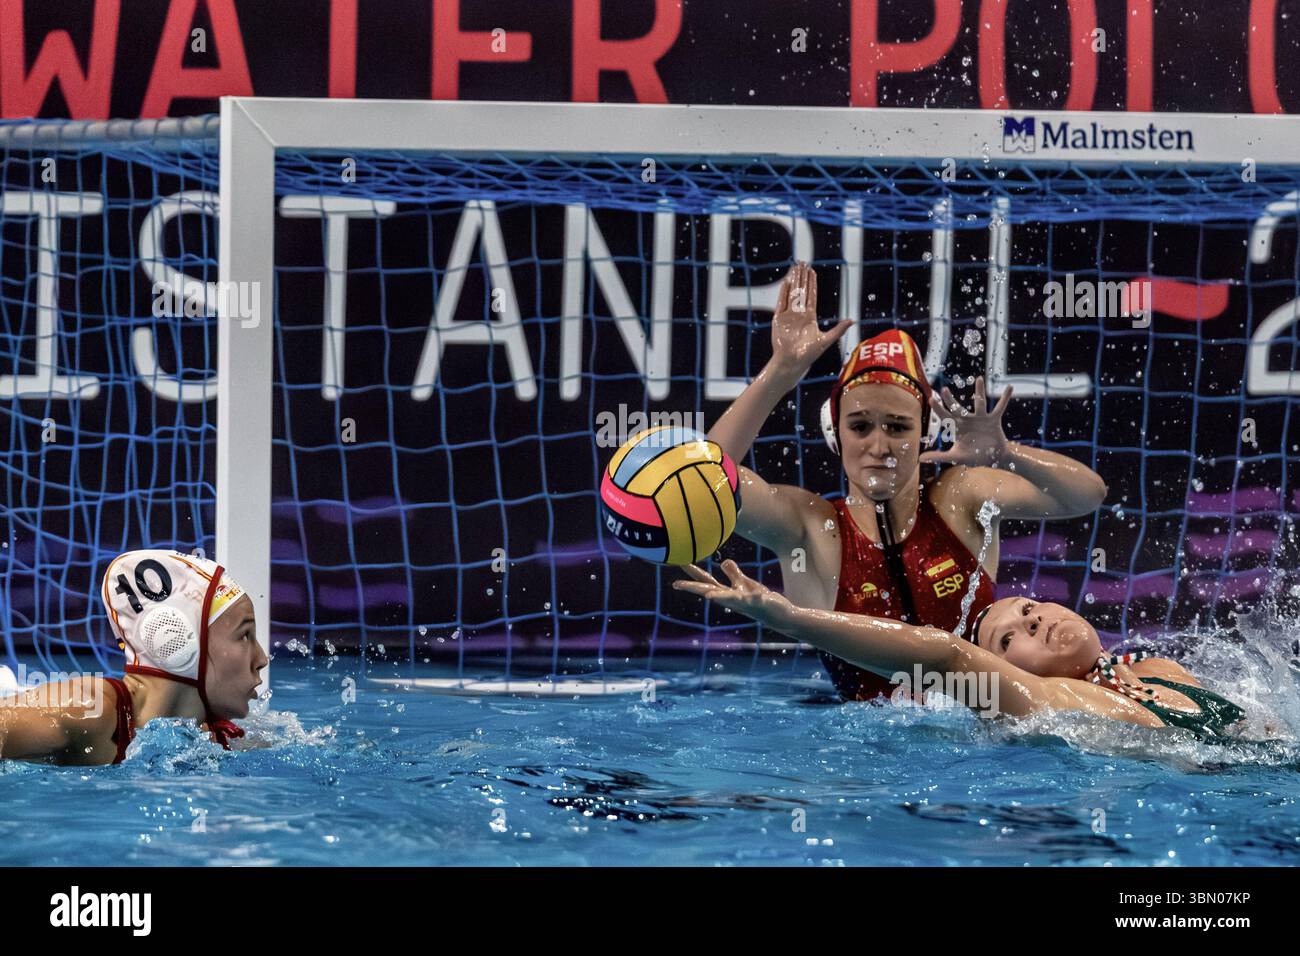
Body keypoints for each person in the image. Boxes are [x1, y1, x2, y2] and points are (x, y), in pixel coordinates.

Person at [707, 261, 1108, 700]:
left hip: (986, 745)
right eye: (860, 427)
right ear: (835, 433)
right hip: (867, 754)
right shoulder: (810, 530)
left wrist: (1007, 455)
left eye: (897, 427)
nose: (878, 446)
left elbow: (1086, 495)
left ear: (926, 433)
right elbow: (700, 480)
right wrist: (780, 372)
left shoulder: (960, 498)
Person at [674, 560, 1247, 738]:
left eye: (1028, 610)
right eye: (1008, 640)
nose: (1035, 622)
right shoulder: (1038, 701)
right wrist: (791, 618)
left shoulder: (1156, 667)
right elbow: (945, 655)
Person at [0, 549, 266, 765]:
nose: (262, 658)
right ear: (174, 641)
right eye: (244, 635)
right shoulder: (86, 709)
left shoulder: (219, 739)